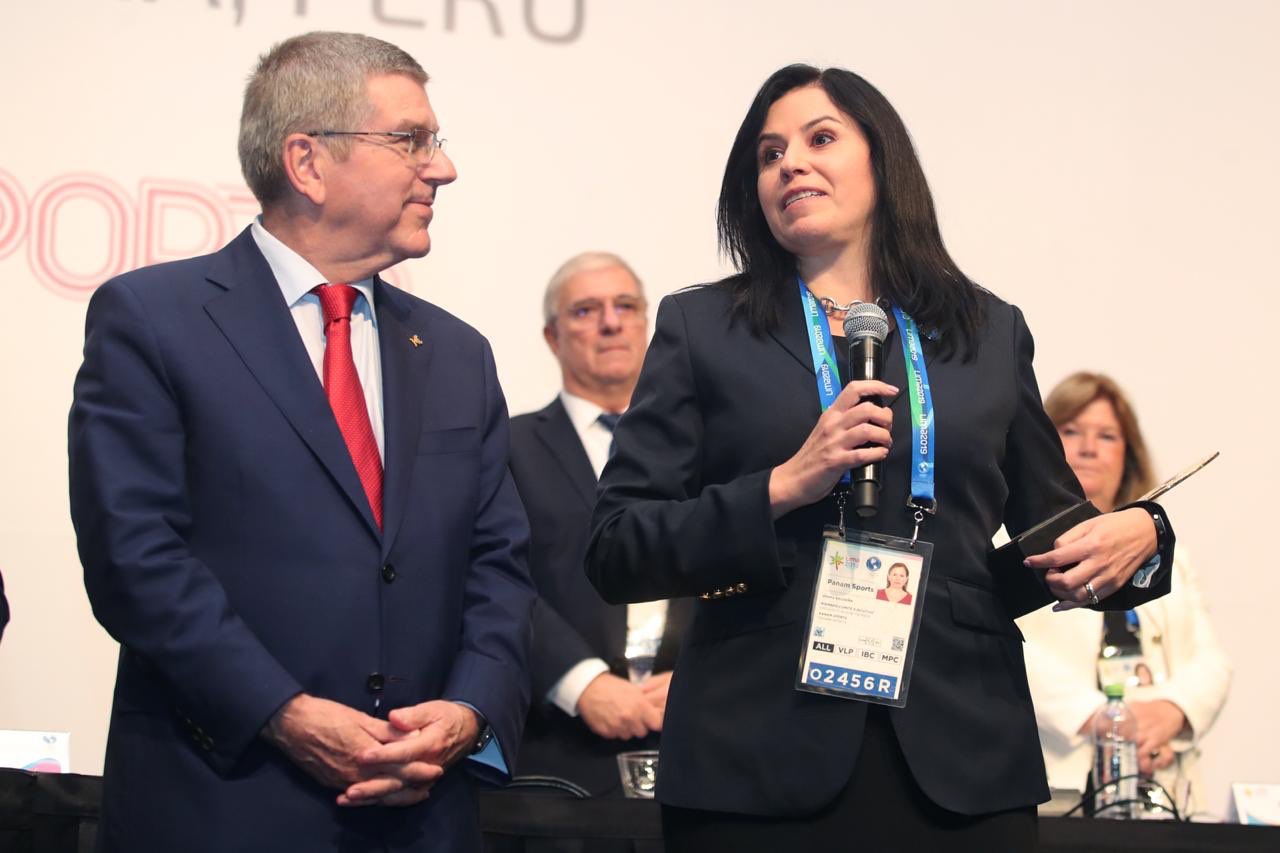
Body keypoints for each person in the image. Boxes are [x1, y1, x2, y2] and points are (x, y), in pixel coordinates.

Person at [584, 64, 1175, 851]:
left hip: (963, 757)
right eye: (769, 154)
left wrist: (1143, 535)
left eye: (820, 138)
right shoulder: (703, 328)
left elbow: (1058, 535)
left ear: (882, 160)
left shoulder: (987, 332)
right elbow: (617, 547)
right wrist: (782, 486)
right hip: (754, 758)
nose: (790, 163)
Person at [67, 32, 534, 852]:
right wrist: (282, 712)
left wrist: (469, 711)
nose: (443, 168)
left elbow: (499, 566)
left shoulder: (459, 353)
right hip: (222, 806)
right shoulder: (153, 321)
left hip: (422, 814)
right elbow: (134, 557)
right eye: (411, 140)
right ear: (307, 162)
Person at [510, 252, 691, 798]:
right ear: (552, 337)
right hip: (561, 760)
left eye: (625, 306)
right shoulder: (505, 449)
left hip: (699, 745)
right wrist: (579, 681)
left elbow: (742, 567)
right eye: (586, 310)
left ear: (646, 324)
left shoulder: (710, 445)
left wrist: (703, 676)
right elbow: (489, 578)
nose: (611, 322)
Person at [1016, 372, 1230, 817]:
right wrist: (1107, 720)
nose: (1088, 448)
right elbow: (1012, 654)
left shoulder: (1167, 555)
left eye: (1107, 436)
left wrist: (1171, 713)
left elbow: (1211, 662)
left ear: (1127, 455)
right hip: (1057, 787)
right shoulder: (1010, 545)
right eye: (1071, 431)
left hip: (1162, 787)